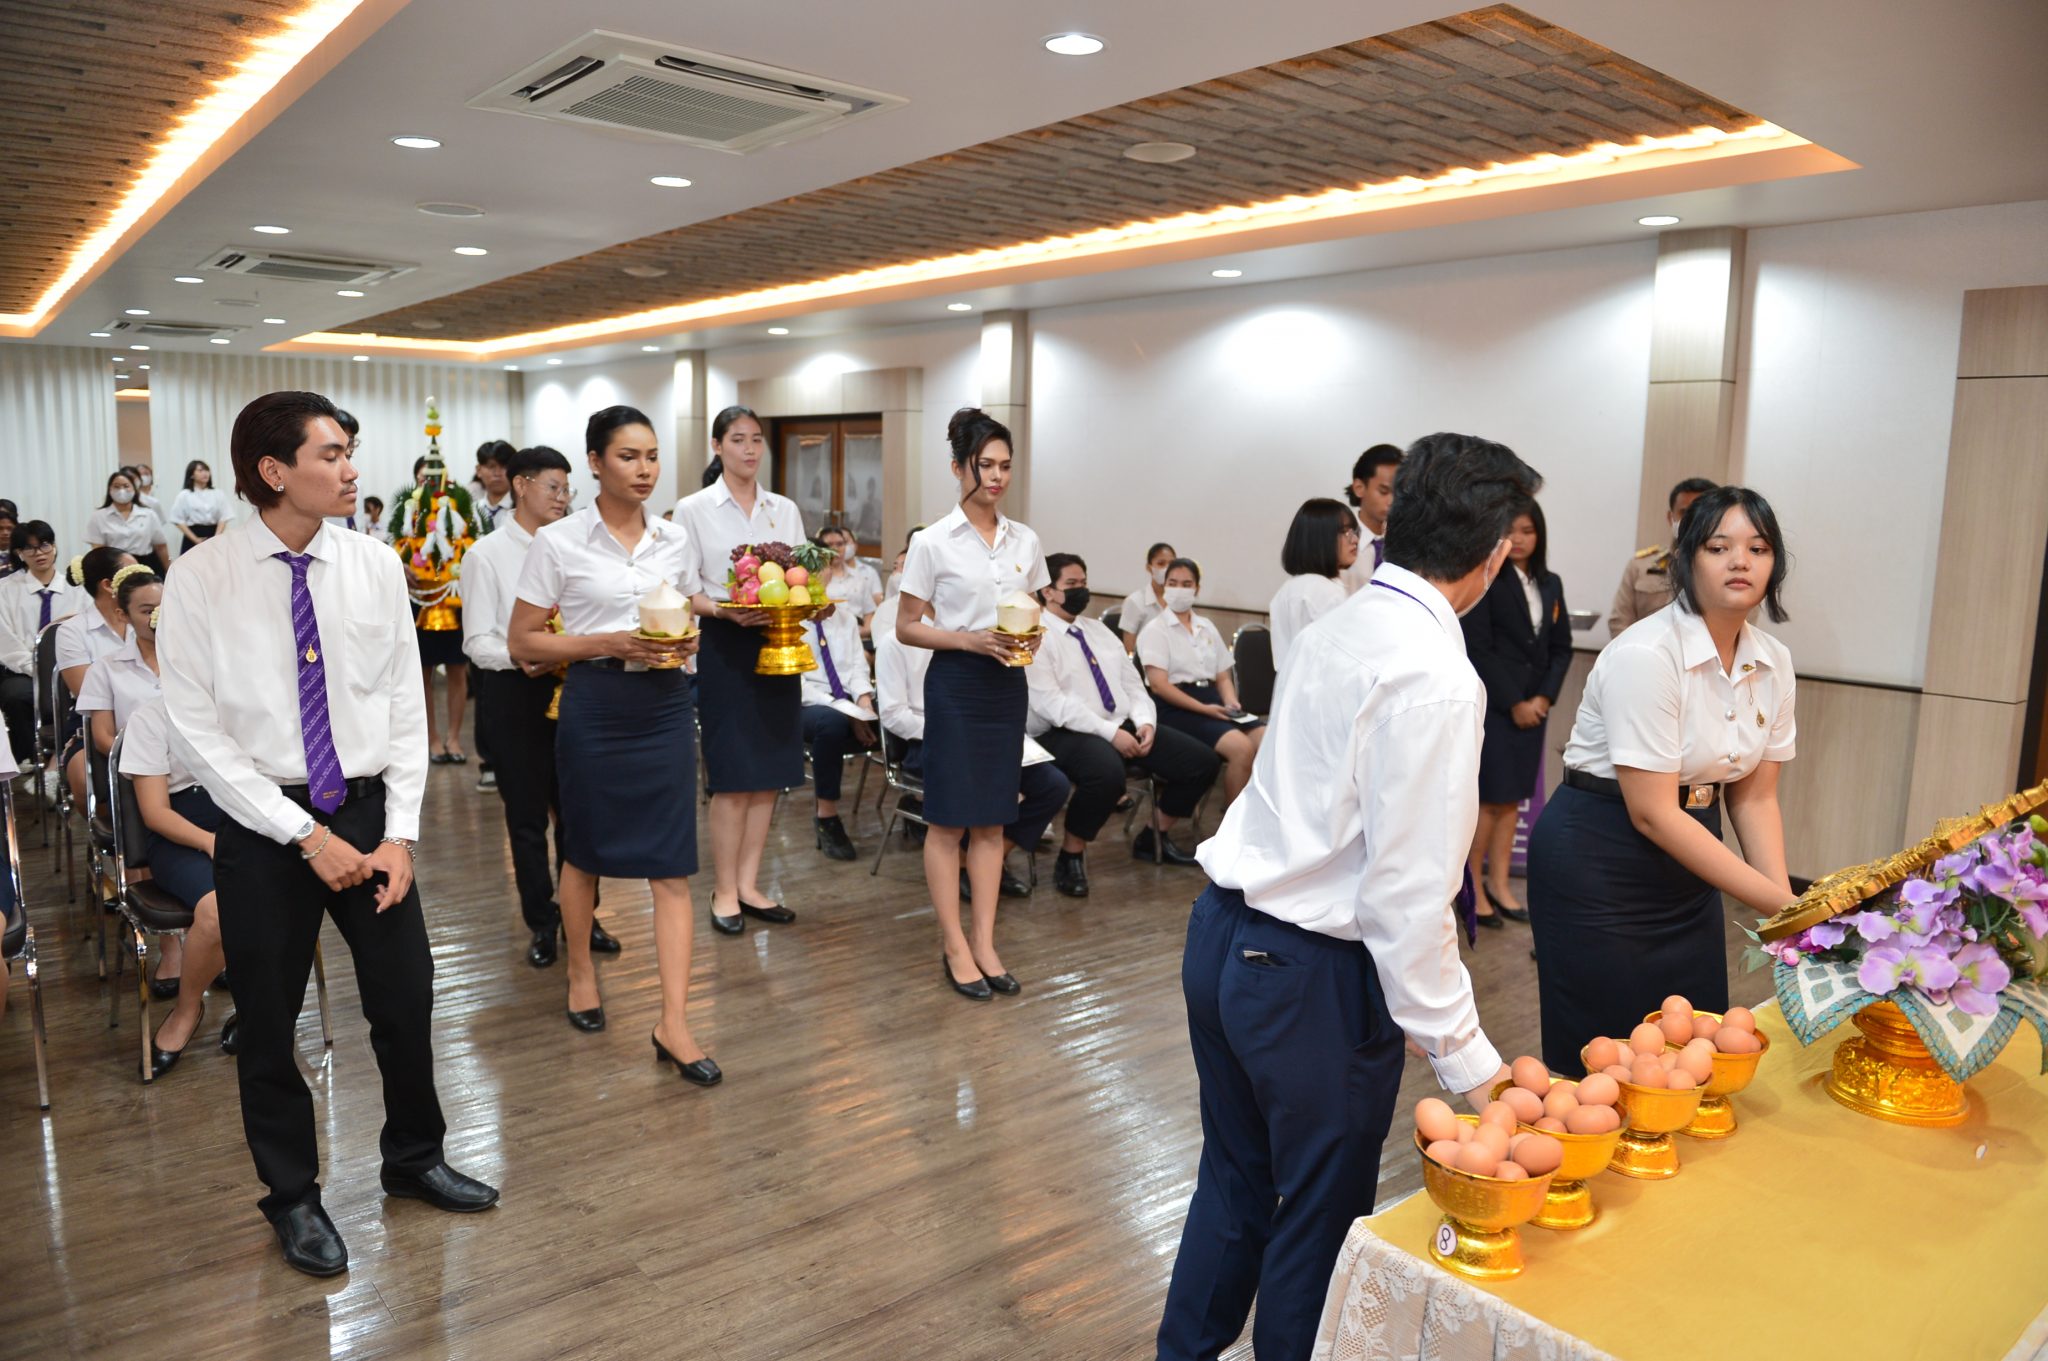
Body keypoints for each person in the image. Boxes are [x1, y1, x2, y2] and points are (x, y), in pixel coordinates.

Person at [1156, 431, 1536, 1361]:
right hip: (1306, 974)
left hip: (1223, 932)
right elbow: (1406, 899)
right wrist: (1471, 1063)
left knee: (1235, 1182)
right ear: (1494, 555)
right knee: (1318, 1216)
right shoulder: (1436, 674)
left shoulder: (1340, 623)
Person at [158, 389, 497, 1279]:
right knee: (270, 1018)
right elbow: (195, 727)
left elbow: (402, 701)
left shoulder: (373, 562)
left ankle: (414, 1155)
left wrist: (401, 835)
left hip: (367, 813)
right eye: (332, 454)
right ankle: (293, 1196)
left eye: (350, 452)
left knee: (406, 996)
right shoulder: (203, 575)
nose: (352, 470)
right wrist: (303, 836)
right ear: (274, 471)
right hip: (262, 819)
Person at [1530, 484, 1797, 1074]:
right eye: (1718, 547)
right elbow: (1651, 812)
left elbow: (1755, 798)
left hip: (1690, 852)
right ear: (1685, 561)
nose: (1740, 561)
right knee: (1607, 1067)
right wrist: (1787, 905)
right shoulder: (1647, 653)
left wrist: (1787, 922)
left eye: (1758, 549)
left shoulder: (1773, 661)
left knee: (1694, 1045)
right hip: (1601, 857)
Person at [509, 405, 717, 1083]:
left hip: (664, 706)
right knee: (584, 852)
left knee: (672, 864)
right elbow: (523, 642)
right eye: (629, 456)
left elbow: (683, 613)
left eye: (652, 456)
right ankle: (579, 971)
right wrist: (608, 641)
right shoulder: (559, 541)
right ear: (595, 463)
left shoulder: (675, 538)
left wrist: (684, 641)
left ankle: (674, 1022)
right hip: (595, 704)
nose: (644, 469)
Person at [897, 407, 1057, 1000]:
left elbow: (1033, 612)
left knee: (993, 820)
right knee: (948, 823)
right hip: (956, 686)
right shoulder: (932, 542)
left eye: (1005, 466)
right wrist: (968, 640)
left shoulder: (1026, 540)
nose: (996, 477)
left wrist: (1031, 638)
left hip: (1006, 686)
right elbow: (906, 626)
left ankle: (985, 942)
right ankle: (953, 944)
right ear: (958, 467)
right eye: (985, 465)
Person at [461, 444, 620, 968]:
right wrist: (520, 656)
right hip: (516, 692)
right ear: (520, 485)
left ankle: (584, 916)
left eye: (567, 489)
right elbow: (476, 641)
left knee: (579, 813)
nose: (562, 498)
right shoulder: (486, 554)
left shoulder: (577, 547)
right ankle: (542, 921)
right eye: (553, 487)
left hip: (576, 689)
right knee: (527, 819)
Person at [675, 406, 807, 937]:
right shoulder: (694, 509)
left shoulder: (784, 509)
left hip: (778, 641)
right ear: (717, 446)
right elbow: (683, 588)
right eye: (737, 440)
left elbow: (798, 576)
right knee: (732, 778)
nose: (750, 449)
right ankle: (724, 889)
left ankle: (750, 885)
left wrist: (811, 603)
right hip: (725, 643)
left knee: (769, 775)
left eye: (756, 440)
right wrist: (722, 611)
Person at [1027, 552, 1219, 896]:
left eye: (1084, 582)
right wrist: (1110, 734)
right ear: (1048, 591)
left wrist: (1145, 723)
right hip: (1063, 732)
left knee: (1201, 761)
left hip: (1119, 723)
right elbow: (1052, 704)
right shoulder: (1037, 635)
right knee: (1106, 774)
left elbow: (1134, 685)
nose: (1081, 590)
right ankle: (1071, 854)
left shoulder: (1098, 631)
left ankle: (1153, 834)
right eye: (1071, 584)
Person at [874, 606, 1062, 900]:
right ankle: (964, 864)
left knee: (1052, 785)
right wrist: (949, 729)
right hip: (927, 738)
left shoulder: (983, 635)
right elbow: (893, 714)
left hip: (987, 734)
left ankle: (987, 859)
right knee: (966, 797)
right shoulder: (895, 642)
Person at [1460, 494, 1573, 928]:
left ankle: (1501, 885)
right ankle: (1472, 889)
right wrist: (1515, 702)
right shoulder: (1486, 578)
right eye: (1510, 531)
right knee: (1488, 801)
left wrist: (1543, 698)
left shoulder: (1550, 582)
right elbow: (1479, 649)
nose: (1520, 539)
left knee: (1512, 803)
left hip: (1534, 710)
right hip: (1497, 707)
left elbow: (1560, 648)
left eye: (1527, 530)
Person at [119, 696, 231, 1074]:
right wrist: (210, 842)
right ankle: (187, 1009)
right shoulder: (151, 717)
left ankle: (262, 1007)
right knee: (218, 909)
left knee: (292, 889)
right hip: (179, 837)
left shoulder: (245, 704)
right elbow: (155, 814)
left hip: (242, 820)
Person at [1138, 559, 1265, 807]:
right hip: (1174, 707)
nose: (1179, 589)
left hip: (1211, 701)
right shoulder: (1156, 629)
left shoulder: (1206, 626)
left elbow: (1222, 676)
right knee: (1241, 749)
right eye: (1173, 583)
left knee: (1266, 738)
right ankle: (1232, 821)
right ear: (1164, 586)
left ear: (1197, 589)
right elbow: (1159, 685)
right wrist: (1205, 710)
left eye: (1187, 584)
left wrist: (1230, 701)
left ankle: (1256, 814)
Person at [799, 550, 878, 861]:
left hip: (845, 699)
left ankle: (919, 802)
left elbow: (857, 667)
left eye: (824, 567)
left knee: (894, 714)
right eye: (810, 569)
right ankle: (827, 816)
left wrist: (863, 701)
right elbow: (798, 686)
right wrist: (844, 709)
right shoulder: (786, 619)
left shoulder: (843, 616)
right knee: (831, 723)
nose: (819, 574)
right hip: (807, 704)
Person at [55, 546, 135, 807]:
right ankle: (109, 830)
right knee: (84, 780)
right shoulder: (73, 631)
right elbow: (86, 691)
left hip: (151, 711)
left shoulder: (147, 620)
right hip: (92, 721)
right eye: (132, 572)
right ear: (108, 585)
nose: (142, 578)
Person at [0, 520, 82, 764]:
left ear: (54, 547)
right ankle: (30, 759)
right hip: (23, 670)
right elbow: (5, 641)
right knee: (16, 696)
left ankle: (65, 756)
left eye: (44, 545)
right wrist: (37, 668)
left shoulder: (77, 589)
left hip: (69, 667)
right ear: (19, 553)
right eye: (30, 548)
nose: (39, 553)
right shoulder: (5, 590)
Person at [1608, 476, 1717, 635]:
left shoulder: (1730, 568)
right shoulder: (1640, 565)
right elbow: (1620, 622)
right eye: (1684, 513)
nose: (1692, 520)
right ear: (1670, 518)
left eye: (1700, 514)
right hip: (1643, 648)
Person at [1268, 497, 1357, 681]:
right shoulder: (1328, 592)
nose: (1354, 540)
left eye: (1353, 531)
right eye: (1345, 532)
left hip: (1288, 689)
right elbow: (1339, 661)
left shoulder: (1286, 590)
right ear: (1320, 538)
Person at [1337, 442, 1402, 593]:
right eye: (1384, 491)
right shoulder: (1336, 540)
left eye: (1398, 492)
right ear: (1359, 488)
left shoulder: (1406, 542)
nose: (1392, 501)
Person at [85, 469, 171, 574]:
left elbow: (161, 546)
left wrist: (169, 570)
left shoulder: (149, 514)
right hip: (114, 567)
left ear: (134, 489)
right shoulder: (98, 516)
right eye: (116, 486)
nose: (122, 490)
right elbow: (97, 551)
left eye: (126, 486)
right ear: (109, 490)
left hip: (145, 565)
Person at [818, 523, 883, 635]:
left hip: (860, 635)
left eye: (840, 544)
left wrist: (864, 632)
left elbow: (869, 612)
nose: (835, 549)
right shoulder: (817, 579)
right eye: (829, 545)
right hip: (828, 635)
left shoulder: (858, 576)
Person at [1118, 541, 1176, 654]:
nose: (1167, 568)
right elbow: (1129, 651)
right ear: (1149, 567)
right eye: (1161, 563)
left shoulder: (1178, 600)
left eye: (1171, 564)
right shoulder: (1135, 601)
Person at [169, 459, 231, 552]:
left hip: (214, 535)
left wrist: (216, 538)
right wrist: (195, 539)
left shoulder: (218, 493)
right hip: (193, 536)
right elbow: (177, 520)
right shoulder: (184, 495)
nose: (205, 473)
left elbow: (224, 517)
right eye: (200, 470)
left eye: (207, 470)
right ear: (192, 475)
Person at [470, 440, 515, 535]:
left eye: (504, 467)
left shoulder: (522, 510)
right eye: (491, 466)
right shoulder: (471, 511)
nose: (497, 473)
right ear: (478, 470)